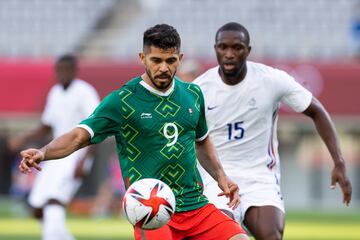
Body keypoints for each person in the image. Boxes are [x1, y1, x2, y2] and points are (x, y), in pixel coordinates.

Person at [18, 24, 249, 240]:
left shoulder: (193, 94)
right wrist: (43, 152)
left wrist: (221, 177)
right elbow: (79, 136)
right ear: (142, 58)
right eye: (156, 60)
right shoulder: (123, 100)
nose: (163, 68)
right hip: (150, 208)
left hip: (195, 205)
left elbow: (201, 141)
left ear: (180, 58)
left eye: (170, 60)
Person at [194, 22, 352, 240]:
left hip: (261, 178)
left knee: (271, 236)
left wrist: (339, 162)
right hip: (217, 179)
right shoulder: (200, 89)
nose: (229, 54)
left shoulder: (271, 80)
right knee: (222, 236)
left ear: (248, 50)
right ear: (215, 49)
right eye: (223, 47)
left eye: (237, 47)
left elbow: (316, 110)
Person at [10, 54, 100, 240]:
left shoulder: (85, 92)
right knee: (37, 207)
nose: (62, 73)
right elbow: (46, 125)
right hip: (55, 154)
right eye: (59, 69)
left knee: (54, 201)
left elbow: (96, 127)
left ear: (74, 70)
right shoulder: (55, 92)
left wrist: (86, 159)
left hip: (76, 154)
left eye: (66, 69)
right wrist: (23, 138)